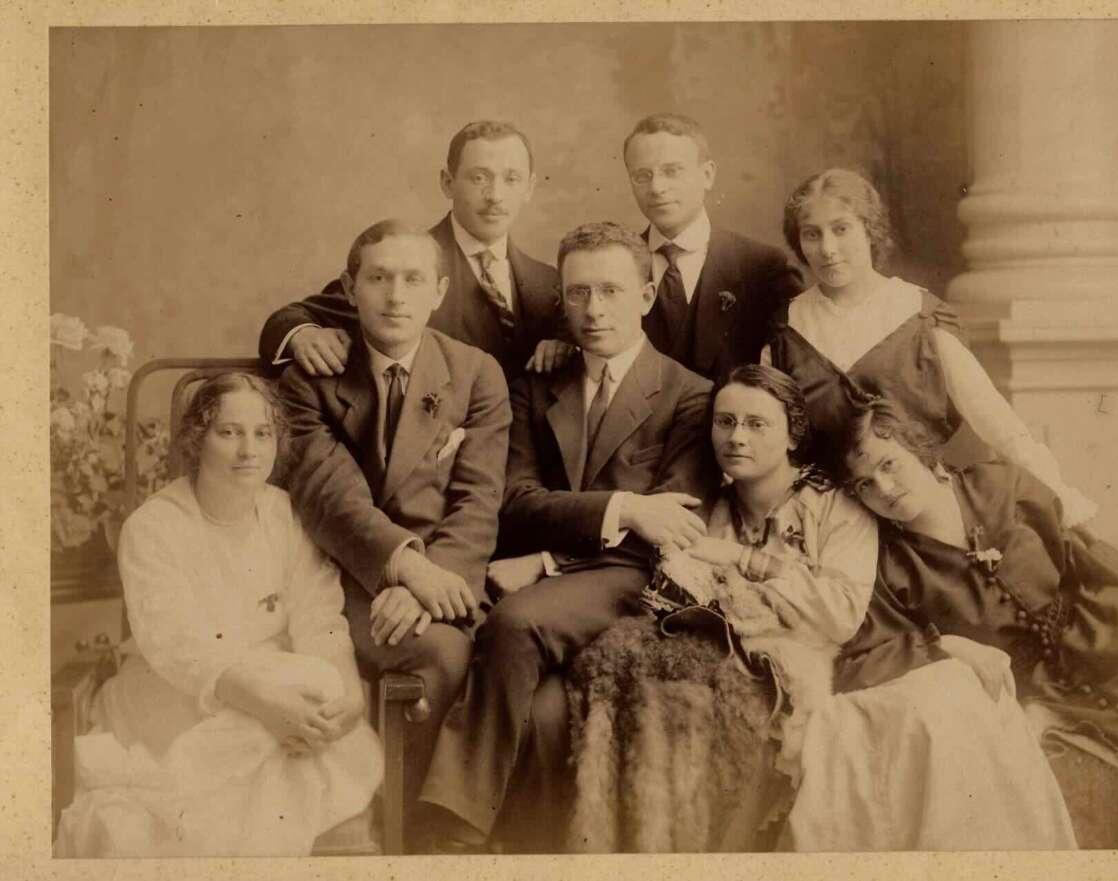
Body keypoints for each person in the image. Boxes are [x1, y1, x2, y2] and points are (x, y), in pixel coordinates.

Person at [563, 365, 1077, 852]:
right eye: (725, 423)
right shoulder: (710, 505)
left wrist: (746, 564)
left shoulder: (836, 504)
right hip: (744, 660)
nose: (737, 437)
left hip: (835, 663)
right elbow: (693, 591)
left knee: (926, 718)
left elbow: (839, 611)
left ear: (790, 435)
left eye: (756, 424)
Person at [417, 221, 716, 851]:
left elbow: (671, 528)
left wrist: (549, 561)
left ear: (646, 292)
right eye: (578, 293)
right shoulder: (533, 388)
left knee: (516, 623)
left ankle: (454, 825)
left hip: (637, 581)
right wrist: (627, 507)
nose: (593, 309)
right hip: (564, 573)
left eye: (610, 290)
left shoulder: (690, 397)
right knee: (547, 711)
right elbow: (515, 502)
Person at [54, 374, 383, 857]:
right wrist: (264, 701)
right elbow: (174, 644)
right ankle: (175, 789)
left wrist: (349, 690)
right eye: (228, 433)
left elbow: (320, 614)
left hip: (280, 694)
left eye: (262, 434)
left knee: (322, 681)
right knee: (299, 692)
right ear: (195, 439)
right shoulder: (154, 526)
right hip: (174, 696)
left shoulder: (284, 516)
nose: (248, 450)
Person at [835, 398, 1118, 847]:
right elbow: (866, 654)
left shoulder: (999, 483)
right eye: (865, 485)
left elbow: (1073, 552)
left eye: (889, 464)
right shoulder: (891, 565)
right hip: (1022, 682)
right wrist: (945, 647)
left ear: (920, 451)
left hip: (1091, 626)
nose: (884, 487)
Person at [276, 220, 511, 848]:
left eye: (413, 280)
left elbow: (477, 503)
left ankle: (425, 833)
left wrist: (431, 581)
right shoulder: (312, 379)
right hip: (348, 572)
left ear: (438, 291)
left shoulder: (475, 373)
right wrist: (405, 567)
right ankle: (391, 830)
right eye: (379, 278)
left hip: (443, 576)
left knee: (447, 647)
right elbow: (330, 499)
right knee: (437, 652)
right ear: (351, 290)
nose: (395, 296)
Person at [766, 167, 1095, 526]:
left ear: (870, 229)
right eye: (812, 234)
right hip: (830, 522)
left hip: (925, 515)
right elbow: (769, 439)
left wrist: (1058, 493)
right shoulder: (786, 329)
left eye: (841, 229)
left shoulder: (918, 315)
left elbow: (992, 417)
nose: (827, 249)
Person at [259, 120, 566, 382]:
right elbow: (289, 320)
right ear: (448, 182)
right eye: (479, 178)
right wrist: (304, 336)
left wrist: (567, 346)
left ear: (529, 188)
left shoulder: (548, 281)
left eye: (511, 179)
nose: (496, 196)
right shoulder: (406, 260)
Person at [623, 113, 804, 380]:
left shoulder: (764, 268)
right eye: (642, 175)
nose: (657, 187)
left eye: (672, 171)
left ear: (707, 175)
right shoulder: (618, 264)